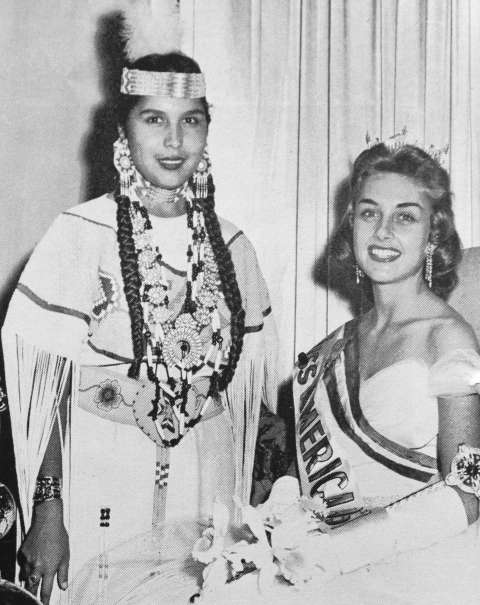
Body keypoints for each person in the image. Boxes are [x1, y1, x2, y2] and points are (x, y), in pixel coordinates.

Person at [2, 52, 277, 604]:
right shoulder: (79, 234)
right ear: (123, 131)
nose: (174, 139)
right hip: (101, 481)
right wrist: (48, 507)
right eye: (154, 118)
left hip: (206, 488)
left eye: (191, 119)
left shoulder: (234, 247)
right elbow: (41, 390)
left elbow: (252, 398)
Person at [281, 141, 480, 587]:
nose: (384, 231)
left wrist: (341, 550)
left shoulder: (448, 338)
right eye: (370, 213)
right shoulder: (326, 351)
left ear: (433, 234)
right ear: (352, 225)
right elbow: (301, 479)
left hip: (417, 567)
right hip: (319, 558)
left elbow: (469, 490)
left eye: (405, 216)